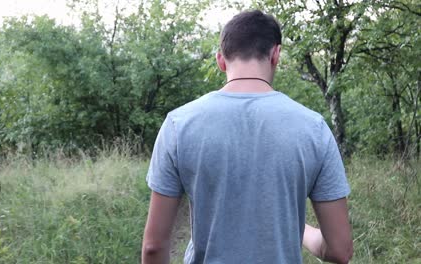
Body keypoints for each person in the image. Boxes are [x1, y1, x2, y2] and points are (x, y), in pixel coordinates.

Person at [142, 10, 353, 264]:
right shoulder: (314, 128)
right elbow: (340, 250)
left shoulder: (178, 124)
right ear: (276, 55)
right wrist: (301, 231)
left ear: (221, 60)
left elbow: (154, 247)